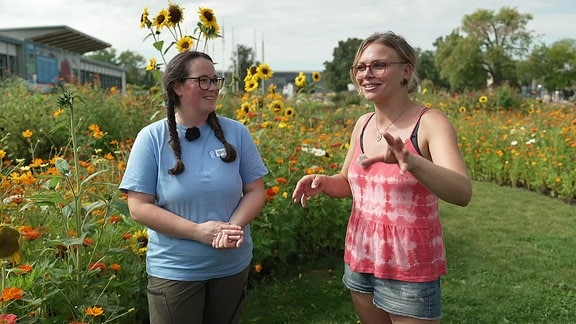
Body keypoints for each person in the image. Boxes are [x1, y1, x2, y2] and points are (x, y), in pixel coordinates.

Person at [292, 31, 472, 323]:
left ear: (406, 71)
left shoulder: (429, 122)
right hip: (361, 256)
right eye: (360, 67)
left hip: (409, 265)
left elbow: (462, 192)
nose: (366, 74)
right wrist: (325, 182)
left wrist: (411, 161)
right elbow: (349, 182)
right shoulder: (363, 124)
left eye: (378, 65)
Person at [120, 51, 268, 324]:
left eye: (215, 80)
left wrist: (232, 227)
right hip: (176, 271)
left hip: (231, 266)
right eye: (203, 80)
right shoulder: (151, 138)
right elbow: (138, 207)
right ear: (177, 87)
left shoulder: (237, 133)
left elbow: (256, 191)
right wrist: (200, 232)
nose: (213, 87)